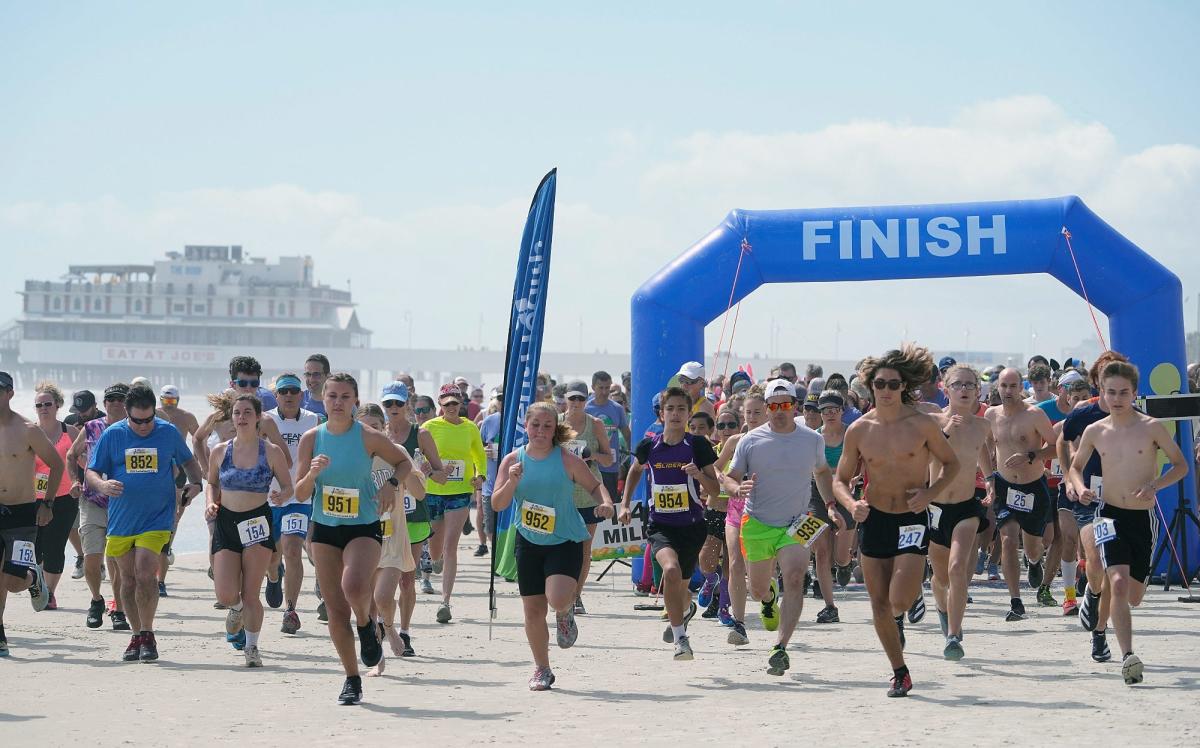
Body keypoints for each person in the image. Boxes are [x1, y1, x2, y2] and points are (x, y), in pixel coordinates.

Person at [832, 345, 960, 697]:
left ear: (904, 386)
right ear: (869, 386)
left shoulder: (921, 424)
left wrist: (930, 494)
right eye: (880, 384)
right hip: (873, 518)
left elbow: (952, 465)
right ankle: (900, 671)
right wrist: (851, 503)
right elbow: (840, 479)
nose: (886, 390)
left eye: (893, 384)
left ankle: (908, 603)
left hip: (912, 517)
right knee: (878, 604)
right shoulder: (858, 429)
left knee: (898, 601)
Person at [294, 372, 413, 705]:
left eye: (345, 397)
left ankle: (366, 625)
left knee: (356, 588)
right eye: (332, 396)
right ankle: (351, 678)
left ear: (355, 402)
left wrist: (391, 485)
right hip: (324, 528)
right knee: (334, 608)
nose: (337, 402)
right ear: (323, 399)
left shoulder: (369, 437)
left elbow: (403, 463)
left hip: (363, 526)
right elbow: (300, 492)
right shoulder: (311, 439)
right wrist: (313, 473)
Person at [1068, 360, 1188, 685]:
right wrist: (1078, 489)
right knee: (1117, 581)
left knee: (1132, 594)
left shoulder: (1151, 427)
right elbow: (1075, 468)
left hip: (1141, 518)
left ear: (1134, 392)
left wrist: (1154, 486)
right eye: (1110, 392)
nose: (1117, 398)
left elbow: (1180, 466)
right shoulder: (1095, 431)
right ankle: (1127, 655)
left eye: (1123, 392)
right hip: (1108, 514)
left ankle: (1098, 617)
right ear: (1102, 394)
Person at [492, 402, 615, 690]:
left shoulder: (567, 459)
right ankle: (542, 669)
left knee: (557, 598)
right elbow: (498, 504)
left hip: (565, 539)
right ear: (526, 426)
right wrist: (511, 482)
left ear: (555, 429)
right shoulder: (513, 460)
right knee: (533, 611)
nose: (541, 431)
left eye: (547, 426)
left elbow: (595, 485)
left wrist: (606, 503)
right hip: (529, 540)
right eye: (535, 425)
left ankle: (565, 611)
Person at [725, 379, 837, 676]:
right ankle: (769, 596)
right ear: (766, 408)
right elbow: (729, 476)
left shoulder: (812, 439)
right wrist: (736, 488)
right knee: (758, 590)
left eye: (785, 405)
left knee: (796, 575)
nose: (779, 411)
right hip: (758, 522)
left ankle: (780, 647)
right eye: (773, 406)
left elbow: (822, 471)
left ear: (794, 406)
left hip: (799, 520)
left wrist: (830, 505)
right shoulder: (751, 440)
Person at [86, 384, 203, 662]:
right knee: (127, 580)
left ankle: (148, 633)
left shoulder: (167, 431)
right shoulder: (113, 435)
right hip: (122, 519)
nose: (143, 425)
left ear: (154, 413)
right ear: (126, 413)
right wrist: (101, 485)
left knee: (145, 573)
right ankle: (137, 634)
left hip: (157, 517)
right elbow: (91, 470)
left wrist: (196, 485)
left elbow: (189, 462)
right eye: (137, 420)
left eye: (148, 419)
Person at [619, 386, 720, 660]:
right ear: (661, 414)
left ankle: (685, 610)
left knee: (682, 591)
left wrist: (698, 475)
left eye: (681, 409)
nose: (676, 414)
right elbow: (635, 470)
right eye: (670, 409)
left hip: (692, 527)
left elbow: (714, 490)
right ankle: (680, 639)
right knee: (671, 572)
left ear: (688, 414)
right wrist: (625, 504)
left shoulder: (697, 446)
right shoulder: (649, 445)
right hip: (660, 526)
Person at [205, 394, 294, 666]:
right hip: (227, 522)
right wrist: (210, 504)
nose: (241, 417)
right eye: (237, 413)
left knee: (251, 592)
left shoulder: (271, 451)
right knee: (225, 593)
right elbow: (212, 483)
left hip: (257, 522)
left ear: (258, 418)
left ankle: (252, 647)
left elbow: (288, 486)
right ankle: (235, 610)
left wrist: (282, 496)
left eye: (247, 412)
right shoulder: (221, 450)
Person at [1061, 350, 1129, 663]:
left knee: (1115, 572)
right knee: (1096, 558)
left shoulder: (1132, 413)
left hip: (1120, 500)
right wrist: (1069, 479)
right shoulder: (1082, 413)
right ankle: (1092, 591)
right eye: (1106, 378)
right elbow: (1063, 441)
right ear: (1097, 381)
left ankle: (1100, 632)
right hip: (1088, 498)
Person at [928, 364, 992, 659]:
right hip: (936, 507)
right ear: (945, 389)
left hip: (967, 506)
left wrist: (991, 483)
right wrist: (944, 432)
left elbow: (983, 454)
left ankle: (954, 635)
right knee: (940, 578)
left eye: (970, 385)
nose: (964, 390)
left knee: (957, 568)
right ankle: (942, 609)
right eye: (958, 385)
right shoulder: (932, 422)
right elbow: (921, 456)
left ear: (978, 390)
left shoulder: (982, 425)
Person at [984, 368, 1058, 620]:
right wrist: (988, 478)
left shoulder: (1034, 414)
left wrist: (1031, 455)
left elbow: (1055, 447)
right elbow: (984, 447)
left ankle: (1035, 562)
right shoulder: (991, 414)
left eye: (1013, 386)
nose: (1008, 391)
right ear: (998, 388)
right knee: (1007, 539)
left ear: (1020, 388)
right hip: (1005, 486)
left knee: (1033, 547)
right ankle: (1015, 601)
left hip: (1033, 486)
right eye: (1003, 386)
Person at [0, 371, 64, 655]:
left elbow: (56, 464)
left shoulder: (28, 429)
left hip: (23, 513)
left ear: (10, 393)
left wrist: (47, 503)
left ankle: (33, 577)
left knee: (12, 581)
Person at [358, 404, 421, 675]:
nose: (371, 430)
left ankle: (392, 631)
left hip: (393, 537)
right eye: (365, 425)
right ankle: (378, 657)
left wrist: (414, 473)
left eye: (376, 425)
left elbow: (419, 493)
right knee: (368, 606)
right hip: (363, 537)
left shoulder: (399, 454)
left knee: (383, 596)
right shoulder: (353, 456)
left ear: (384, 428)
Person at [379, 382, 442, 655]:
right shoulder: (376, 435)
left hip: (414, 515)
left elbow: (440, 474)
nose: (393, 409)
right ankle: (383, 624)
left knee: (406, 579)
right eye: (388, 404)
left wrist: (425, 473)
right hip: (383, 516)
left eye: (398, 404)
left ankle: (404, 632)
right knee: (381, 577)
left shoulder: (421, 434)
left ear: (408, 404)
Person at [66, 383, 131, 631]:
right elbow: (71, 455)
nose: (115, 402)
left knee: (116, 561)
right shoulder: (92, 427)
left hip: (123, 504)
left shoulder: (134, 429)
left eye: (120, 398)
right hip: (92, 501)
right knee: (92, 560)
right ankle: (96, 600)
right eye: (110, 398)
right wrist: (75, 480)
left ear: (128, 403)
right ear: (103, 404)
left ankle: (119, 610)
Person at [423, 383, 486, 624]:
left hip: (460, 492)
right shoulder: (429, 427)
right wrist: (429, 472)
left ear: (461, 404)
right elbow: (420, 456)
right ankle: (434, 559)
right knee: (436, 548)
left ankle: (445, 601)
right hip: (433, 491)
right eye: (446, 403)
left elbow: (479, 455)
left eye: (455, 402)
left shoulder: (470, 428)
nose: (451, 406)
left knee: (451, 546)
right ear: (440, 404)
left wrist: (480, 476)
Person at [264, 373, 322, 633]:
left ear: (301, 395)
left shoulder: (313, 420)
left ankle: (291, 609)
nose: (288, 396)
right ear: (276, 395)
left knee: (292, 547)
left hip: (300, 498)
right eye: (284, 391)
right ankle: (274, 577)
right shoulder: (264, 419)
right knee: (271, 557)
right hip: (268, 498)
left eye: (293, 392)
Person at [559, 381, 614, 614]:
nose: (576, 404)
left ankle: (576, 596)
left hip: (588, 495)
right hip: (560, 494)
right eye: (572, 399)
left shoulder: (596, 425)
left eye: (580, 399)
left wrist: (592, 457)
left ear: (587, 400)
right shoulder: (556, 423)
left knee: (583, 550)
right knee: (560, 548)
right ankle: (561, 593)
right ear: (565, 399)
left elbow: (610, 459)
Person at [718, 391, 767, 645]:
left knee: (758, 570)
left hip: (767, 512)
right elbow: (716, 466)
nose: (752, 417)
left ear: (768, 412)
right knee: (735, 562)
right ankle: (739, 624)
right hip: (736, 509)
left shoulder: (775, 442)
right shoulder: (735, 441)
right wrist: (723, 479)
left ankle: (769, 595)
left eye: (757, 412)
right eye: (748, 412)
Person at [808, 391, 858, 625]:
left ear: (842, 411)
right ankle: (830, 606)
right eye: (825, 410)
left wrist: (859, 477)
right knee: (821, 550)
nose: (829, 414)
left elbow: (866, 460)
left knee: (840, 556)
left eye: (834, 409)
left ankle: (845, 564)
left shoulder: (852, 433)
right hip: (817, 494)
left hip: (846, 493)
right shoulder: (813, 437)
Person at [32, 382, 80, 609]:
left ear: (58, 405)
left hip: (64, 497)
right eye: (39, 405)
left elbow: (85, 462)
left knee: (55, 545)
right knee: (33, 546)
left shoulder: (70, 432)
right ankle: (39, 584)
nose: (43, 408)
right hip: (33, 498)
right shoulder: (30, 431)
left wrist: (85, 483)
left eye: (47, 404)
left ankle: (49, 593)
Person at [155, 384, 200, 597]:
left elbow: (199, 440)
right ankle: (165, 546)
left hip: (181, 468)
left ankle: (168, 544)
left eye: (172, 401)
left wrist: (197, 464)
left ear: (178, 400)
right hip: (163, 468)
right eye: (166, 400)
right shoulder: (154, 414)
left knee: (177, 515)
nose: (169, 405)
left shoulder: (186, 417)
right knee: (169, 515)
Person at [587, 371, 632, 506]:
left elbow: (627, 434)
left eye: (607, 387)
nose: (605, 391)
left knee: (610, 505)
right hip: (590, 467)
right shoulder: (586, 409)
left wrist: (632, 460)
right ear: (593, 387)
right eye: (601, 387)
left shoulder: (617, 408)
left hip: (611, 467)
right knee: (592, 506)